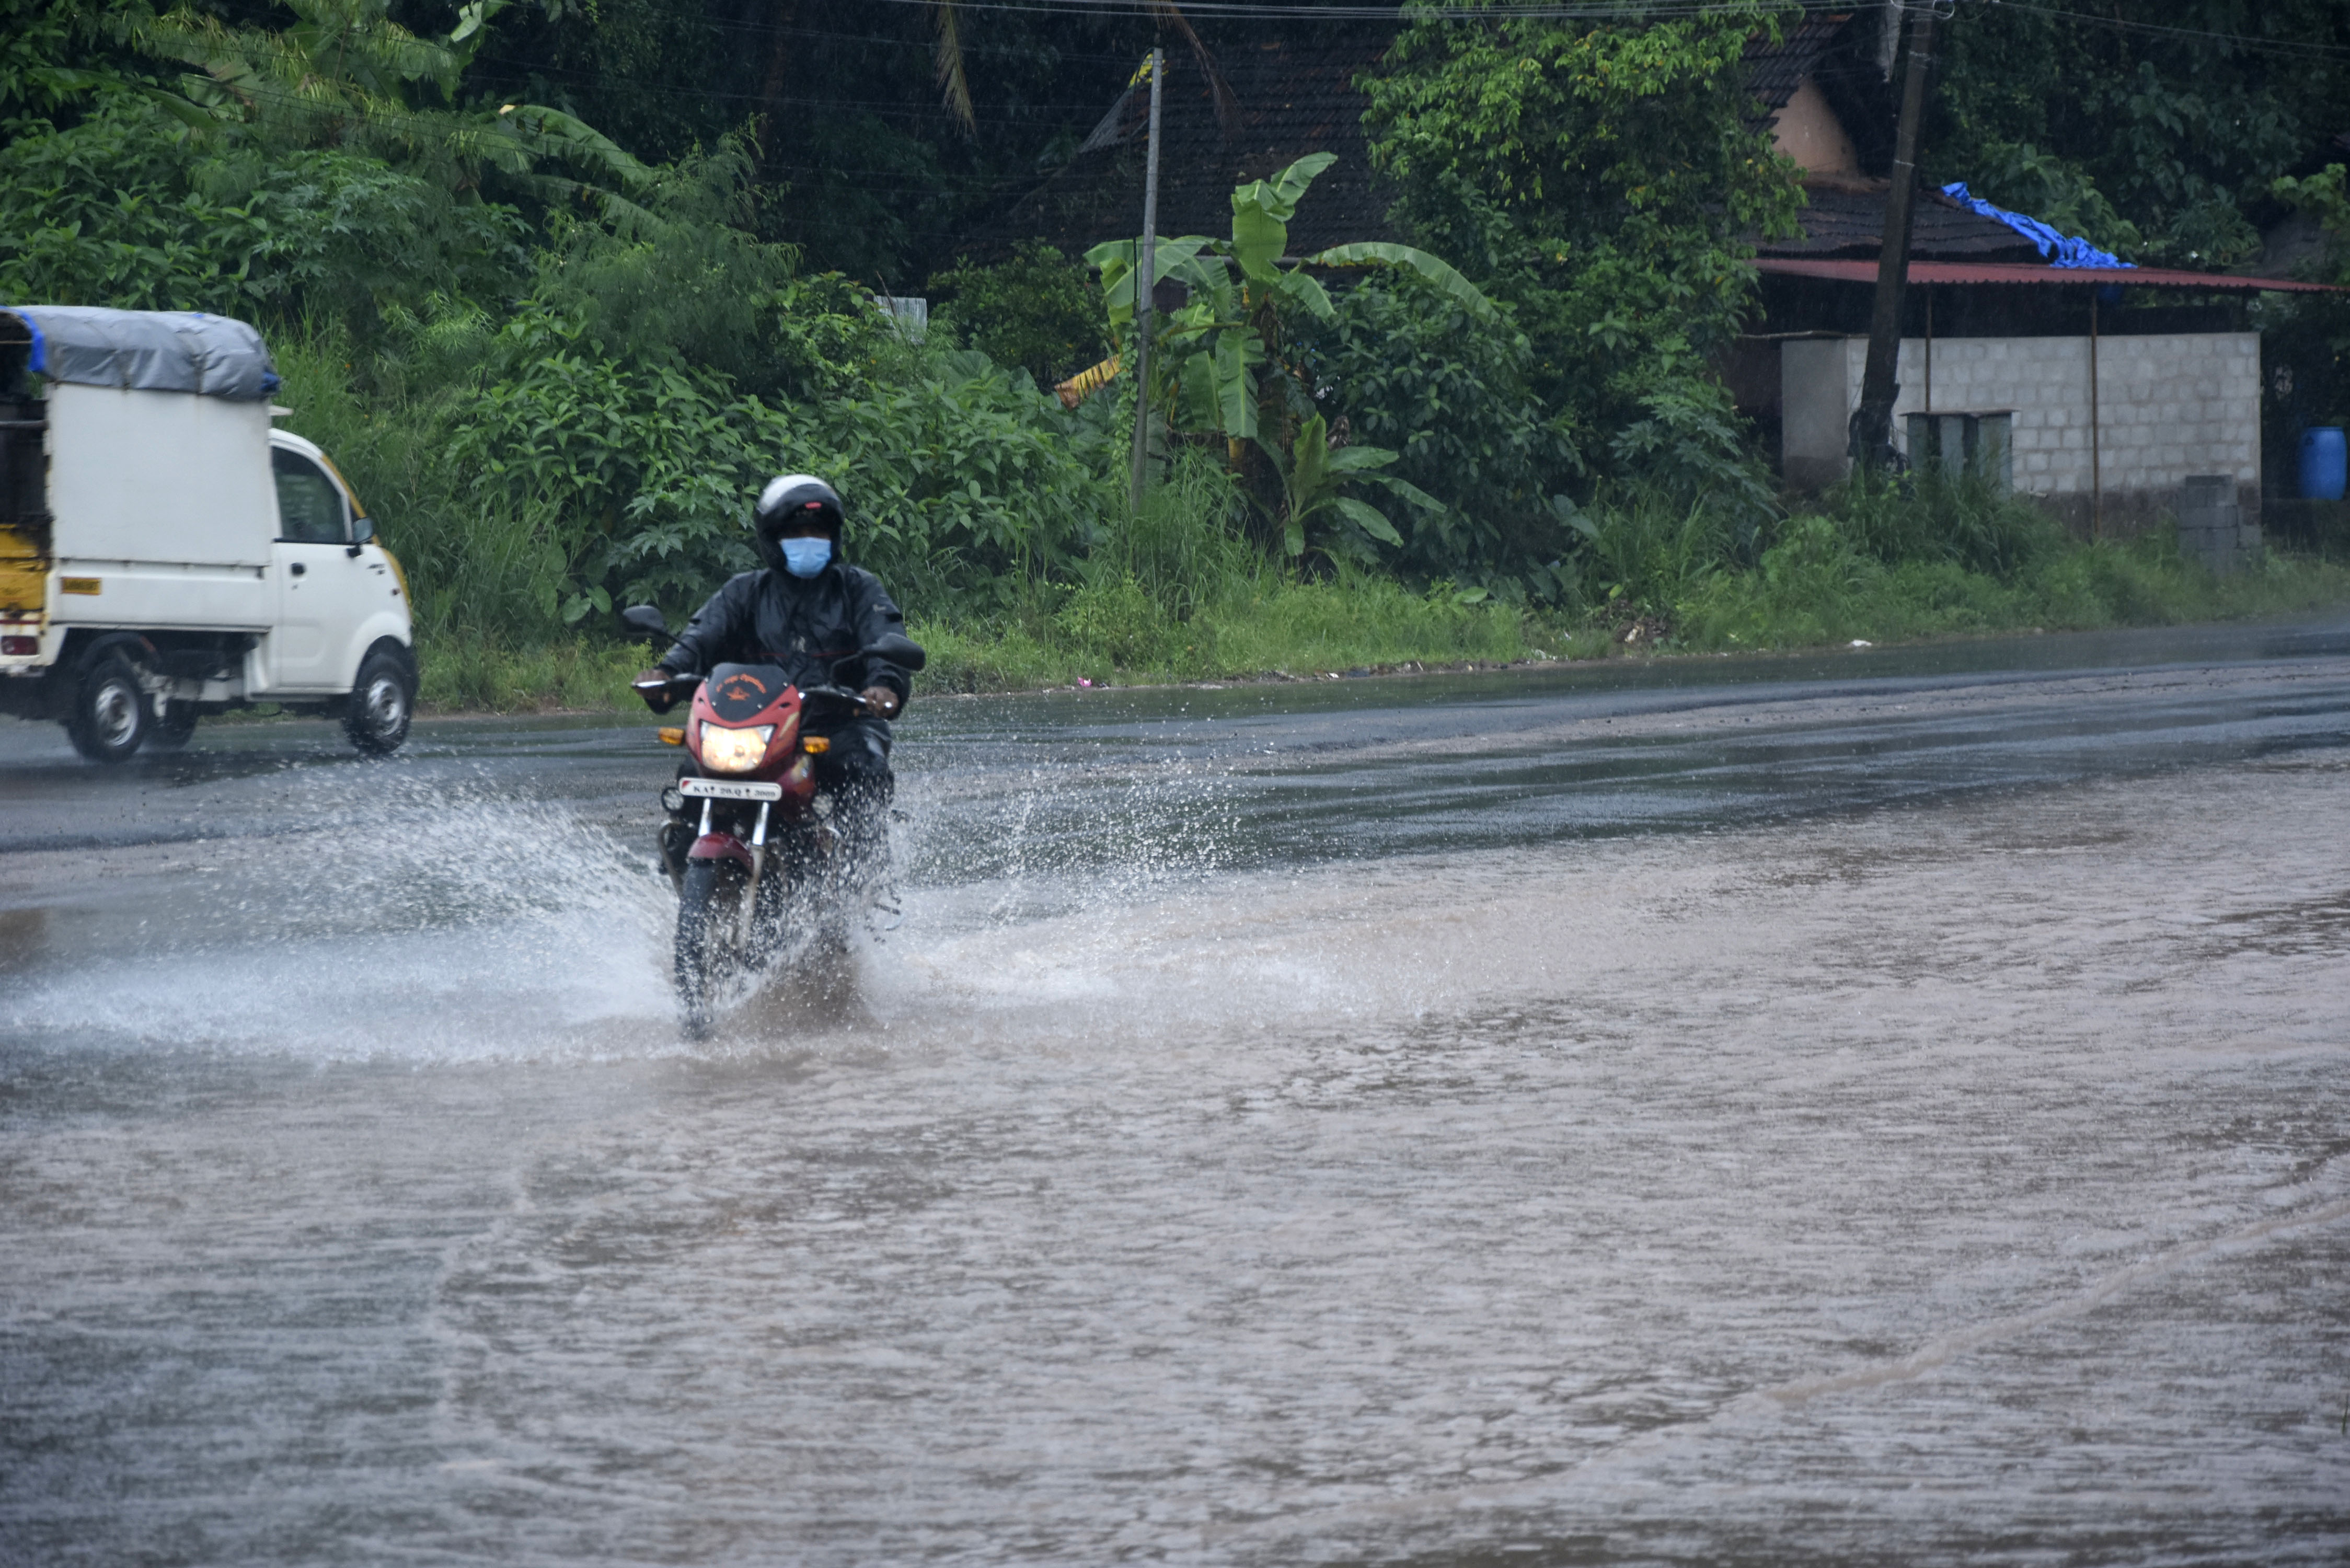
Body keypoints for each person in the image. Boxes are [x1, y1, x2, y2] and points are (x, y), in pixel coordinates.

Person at [637, 474, 912, 878]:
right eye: (795, 531)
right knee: (694, 771)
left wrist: (884, 686)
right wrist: (666, 674)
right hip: (756, 728)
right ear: (771, 537)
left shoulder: (858, 590)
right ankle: (684, 861)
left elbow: (886, 639)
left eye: (817, 530)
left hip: (836, 725)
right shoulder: (744, 592)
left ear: (834, 536)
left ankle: (859, 879)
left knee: (864, 769)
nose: (808, 538)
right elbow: (700, 639)